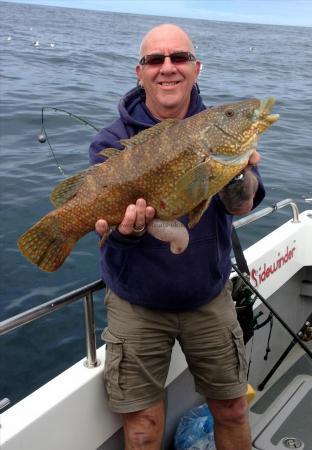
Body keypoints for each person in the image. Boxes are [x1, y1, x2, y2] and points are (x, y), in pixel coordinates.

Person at [89, 24, 264, 450]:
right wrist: (126, 232)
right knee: (144, 430)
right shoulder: (111, 141)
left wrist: (237, 171)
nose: (168, 68)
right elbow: (111, 232)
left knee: (233, 408)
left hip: (208, 295)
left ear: (196, 68)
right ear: (140, 71)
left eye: (179, 58)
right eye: (155, 60)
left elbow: (241, 205)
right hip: (137, 302)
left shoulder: (219, 126)